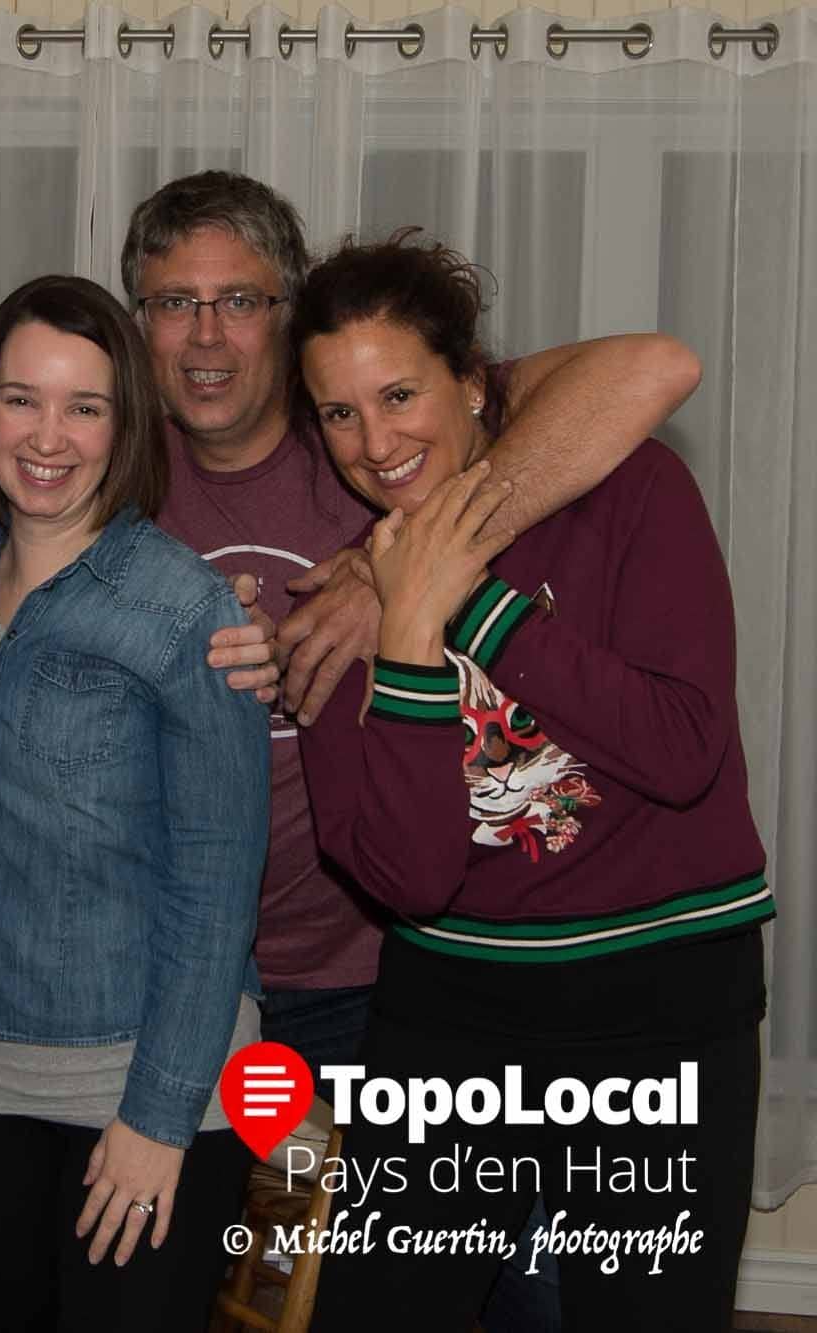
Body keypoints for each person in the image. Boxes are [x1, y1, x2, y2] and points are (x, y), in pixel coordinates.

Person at [122, 171, 704, 1082]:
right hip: (169, 968)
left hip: (366, 982)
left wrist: (410, 567)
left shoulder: (376, 444)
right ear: (138, 322)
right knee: (209, 1183)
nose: (206, 334)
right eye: (172, 303)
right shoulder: (109, 467)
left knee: (350, 1185)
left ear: (285, 317)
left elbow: (655, 367)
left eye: (239, 300)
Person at [293, 232, 771, 1333]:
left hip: (662, 998)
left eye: (400, 393)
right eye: (338, 413)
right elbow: (410, 879)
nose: (375, 443)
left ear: (474, 382)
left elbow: (682, 748)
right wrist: (407, 637)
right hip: (449, 1007)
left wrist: (474, 600)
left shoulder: (632, 490)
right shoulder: (341, 605)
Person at [0, 274, 269, 1330]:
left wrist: (159, 1114)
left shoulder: (186, 610)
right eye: (21, 398)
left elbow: (217, 886)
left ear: (125, 428)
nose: (47, 436)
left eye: (84, 406)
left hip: (137, 1079)